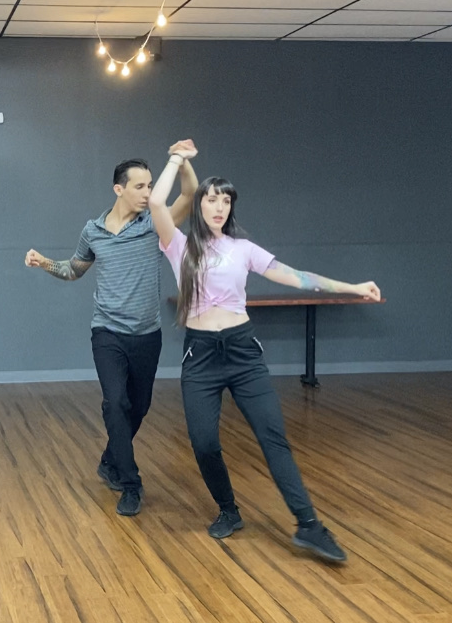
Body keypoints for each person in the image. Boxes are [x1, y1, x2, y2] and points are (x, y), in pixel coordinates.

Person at [147, 147, 381, 562]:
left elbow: (298, 278)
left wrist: (352, 287)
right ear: (199, 205)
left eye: (226, 200)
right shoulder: (178, 245)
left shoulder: (243, 249)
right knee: (203, 442)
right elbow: (155, 202)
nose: (219, 206)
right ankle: (229, 510)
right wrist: (176, 159)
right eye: (211, 199)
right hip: (200, 356)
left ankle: (309, 525)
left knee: (273, 438)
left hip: (243, 353)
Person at [25, 141, 198, 517]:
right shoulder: (93, 232)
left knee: (139, 406)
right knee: (116, 402)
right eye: (140, 186)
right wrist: (44, 262)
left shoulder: (154, 224)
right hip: (107, 333)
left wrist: (183, 162)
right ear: (119, 188)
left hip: (147, 335)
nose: (148, 193)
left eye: (150, 185)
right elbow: (74, 270)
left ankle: (109, 461)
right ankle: (131, 483)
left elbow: (188, 195)